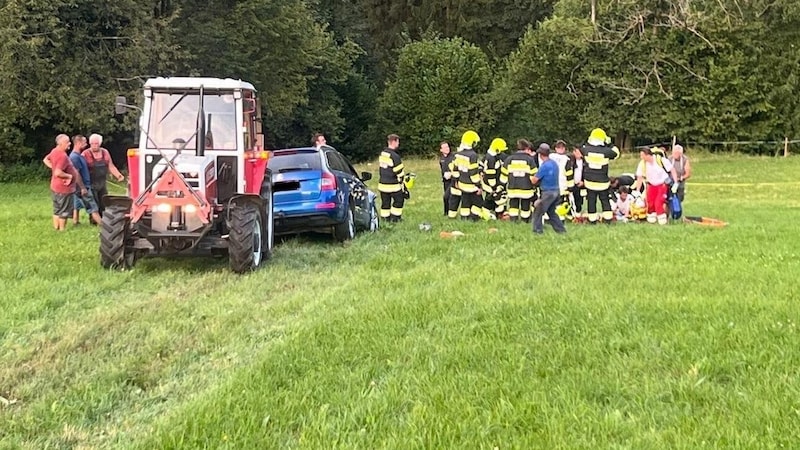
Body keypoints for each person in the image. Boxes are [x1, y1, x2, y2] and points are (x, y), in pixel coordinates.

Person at [43, 134, 85, 231]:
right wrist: (69, 176)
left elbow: (45, 160)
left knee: (57, 209)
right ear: (60, 143)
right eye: (67, 142)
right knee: (64, 210)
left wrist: (53, 167)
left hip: (55, 186)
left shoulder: (54, 151)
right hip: (64, 188)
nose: (69, 143)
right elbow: (58, 173)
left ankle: (56, 229)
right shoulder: (62, 156)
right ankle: (62, 230)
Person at [580, 128, 620, 223]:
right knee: (605, 200)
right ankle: (608, 219)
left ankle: (592, 220)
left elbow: (581, 147)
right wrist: (610, 144)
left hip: (589, 182)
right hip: (602, 182)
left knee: (591, 201)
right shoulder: (607, 151)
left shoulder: (585, 150)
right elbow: (617, 153)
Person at [632, 147, 679, 225]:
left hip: (662, 184)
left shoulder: (660, 160)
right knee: (650, 202)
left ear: (647, 155)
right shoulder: (642, 164)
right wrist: (637, 191)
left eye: (642, 155)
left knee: (658, 202)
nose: (641, 157)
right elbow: (639, 177)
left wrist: (676, 183)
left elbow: (672, 170)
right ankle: (652, 218)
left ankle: (662, 219)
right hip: (651, 185)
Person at [82, 133, 124, 216]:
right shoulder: (85, 154)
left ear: (100, 143)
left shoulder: (105, 152)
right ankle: (94, 221)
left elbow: (111, 166)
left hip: (102, 182)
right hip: (91, 183)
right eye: (92, 144)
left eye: (96, 143)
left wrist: (118, 175)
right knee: (94, 202)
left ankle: (104, 218)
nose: (94, 145)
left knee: (104, 202)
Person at [531, 143, 566, 234]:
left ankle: (537, 232)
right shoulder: (554, 164)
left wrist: (530, 177)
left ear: (540, 155)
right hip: (556, 191)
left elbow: (535, 180)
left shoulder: (544, 166)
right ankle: (561, 231)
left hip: (547, 192)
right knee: (551, 212)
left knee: (538, 211)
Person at [499, 139, 537, 222]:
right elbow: (534, 175)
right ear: (526, 148)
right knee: (525, 207)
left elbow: (503, 176)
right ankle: (525, 221)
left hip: (513, 188)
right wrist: (535, 186)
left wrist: (502, 186)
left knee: (513, 206)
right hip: (526, 190)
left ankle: (513, 221)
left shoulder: (509, 159)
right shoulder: (530, 160)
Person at [68, 135, 102, 226]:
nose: (86, 144)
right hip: (83, 186)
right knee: (93, 207)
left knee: (78, 203)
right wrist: (83, 187)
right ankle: (104, 226)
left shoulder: (79, 156)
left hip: (82, 186)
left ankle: (75, 222)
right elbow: (76, 174)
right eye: (84, 142)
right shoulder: (75, 157)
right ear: (78, 143)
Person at [452, 130, 483, 221]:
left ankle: (464, 218)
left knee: (465, 202)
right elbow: (473, 173)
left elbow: (455, 170)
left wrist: (456, 182)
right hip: (471, 185)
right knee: (478, 203)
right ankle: (473, 218)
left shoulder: (458, 154)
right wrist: (479, 186)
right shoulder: (472, 155)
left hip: (462, 183)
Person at [378, 134, 405, 222]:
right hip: (392, 185)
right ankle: (395, 218)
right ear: (394, 142)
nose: (398, 144)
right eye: (398, 142)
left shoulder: (383, 154)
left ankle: (385, 219)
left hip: (382, 184)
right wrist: (402, 183)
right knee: (399, 201)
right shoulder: (395, 156)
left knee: (385, 203)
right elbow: (399, 172)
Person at [480, 138, 508, 219]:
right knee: (495, 197)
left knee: (495, 198)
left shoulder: (489, 156)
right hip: (491, 184)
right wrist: (495, 187)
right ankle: (490, 214)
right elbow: (491, 176)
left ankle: (499, 213)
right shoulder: (491, 159)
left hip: (490, 183)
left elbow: (481, 166)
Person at [439, 141, 455, 216]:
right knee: (448, 197)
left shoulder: (453, 157)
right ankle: (447, 212)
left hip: (453, 180)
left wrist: (451, 174)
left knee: (446, 197)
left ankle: (448, 213)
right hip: (445, 181)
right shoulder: (441, 159)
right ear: (441, 150)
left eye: (447, 147)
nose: (447, 149)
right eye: (444, 147)